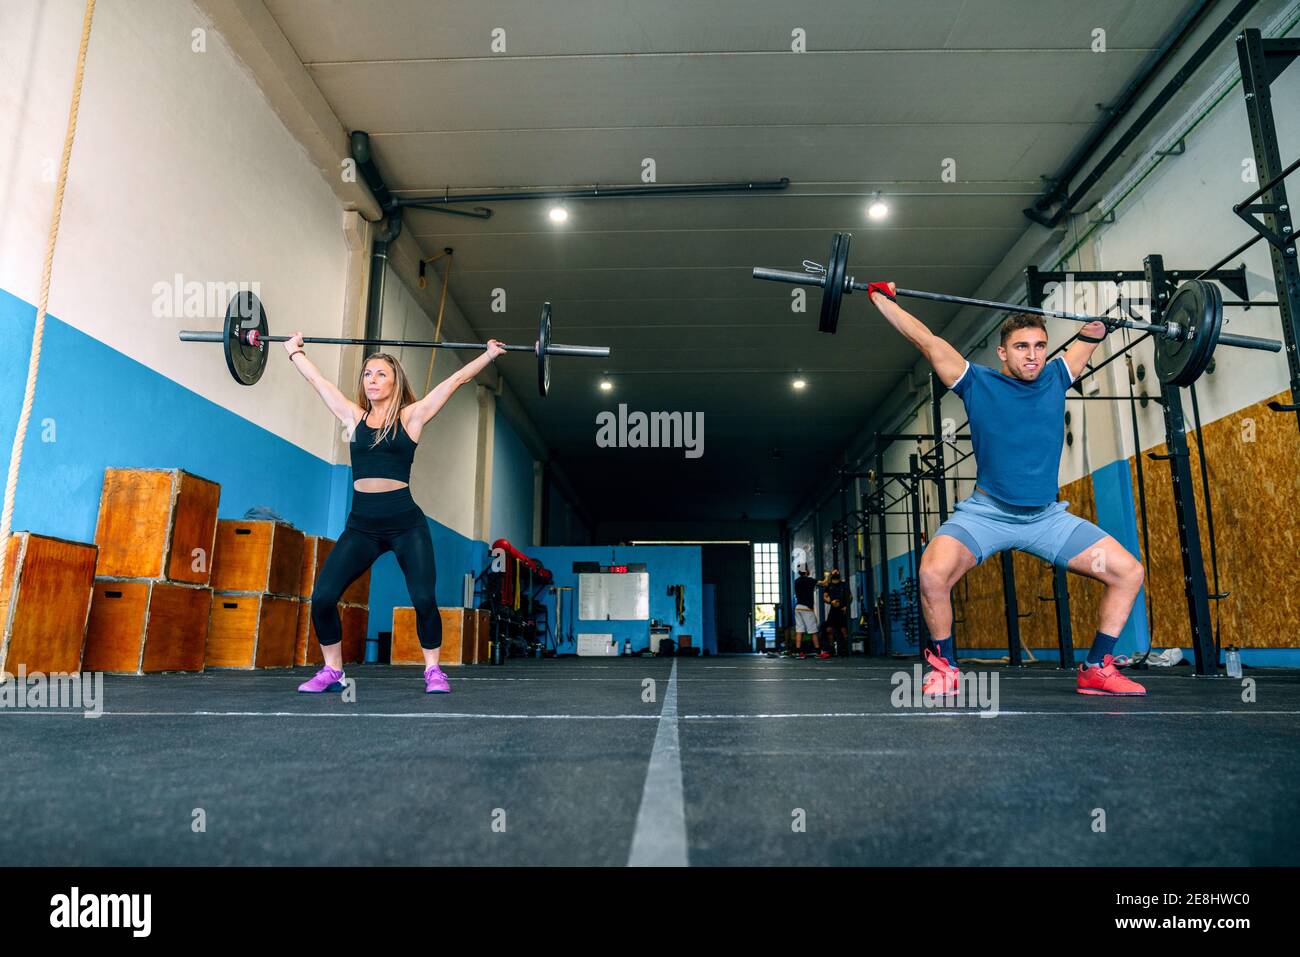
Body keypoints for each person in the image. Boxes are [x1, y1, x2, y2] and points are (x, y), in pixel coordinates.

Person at [867, 282, 1146, 696]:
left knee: (1128, 572)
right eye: (1021, 347)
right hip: (986, 516)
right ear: (1003, 352)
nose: (1032, 355)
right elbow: (925, 340)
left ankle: (1096, 668)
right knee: (931, 574)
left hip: (1047, 519)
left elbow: (1089, 338)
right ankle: (945, 667)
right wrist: (881, 300)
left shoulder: (1057, 376)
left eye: (1039, 346)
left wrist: (1098, 328)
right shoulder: (974, 381)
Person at [288, 331, 506, 694]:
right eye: (367, 374)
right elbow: (318, 381)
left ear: (395, 381)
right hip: (362, 527)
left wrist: (489, 356)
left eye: (380, 374)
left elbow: (456, 381)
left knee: (423, 598)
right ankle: (333, 671)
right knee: (323, 598)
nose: (371, 380)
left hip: (406, 524)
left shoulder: (412, 418)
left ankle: (434, 670)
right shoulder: (353, 417)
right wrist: (294, 352)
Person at [791, 566, 829, 659]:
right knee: (813, 631)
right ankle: (818, 651)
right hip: (807, 608)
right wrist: (827, 576)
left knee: (799, 630)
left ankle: (799, 652)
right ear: (807, 571)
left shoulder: (796, 581)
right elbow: (824, 584)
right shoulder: (810, 580)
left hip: (798, 607)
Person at [818, 568, 851, 656]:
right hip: (833, 610)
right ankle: (831, 649)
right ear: (832, 574)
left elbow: (850, 596)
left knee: (843, 630)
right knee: (829, 629)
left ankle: (845, 649)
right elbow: (825, 597)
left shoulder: (844, 585)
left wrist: (846, 606)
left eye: (837, 571)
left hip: (842, 610)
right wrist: (830, 601)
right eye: (834, 571)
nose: (835, 572)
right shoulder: (828, 585)